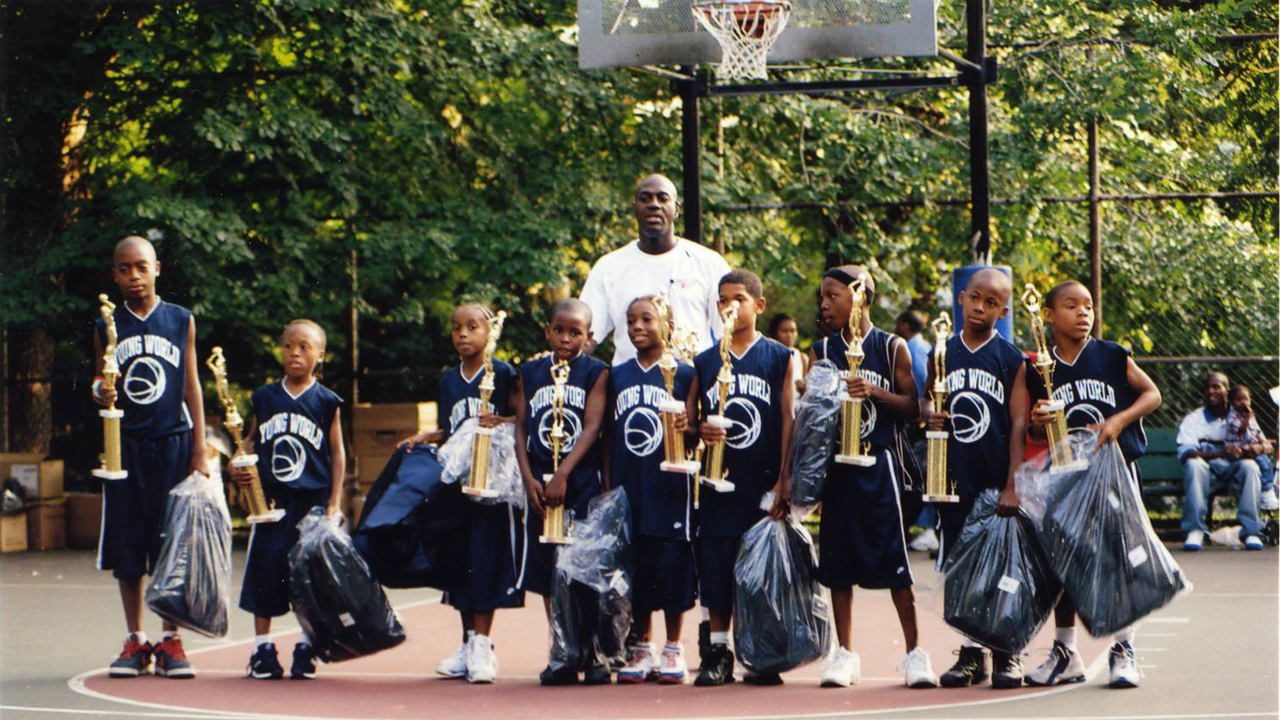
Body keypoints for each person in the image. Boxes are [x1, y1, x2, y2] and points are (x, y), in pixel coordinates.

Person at [1024, 280, 1162, 689]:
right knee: (1064, 561)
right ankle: (1066, 652)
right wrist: (1037, 421)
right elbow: (1033, 423)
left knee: (1118, 558)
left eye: (1088, 306)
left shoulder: (1111, 355)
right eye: (1072, 306)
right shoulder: (1037, 366)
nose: (1084, 313)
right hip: (1067, 477)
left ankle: (1124, 649)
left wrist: (1120, 420)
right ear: (1049, 315)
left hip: (1113, 471)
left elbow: (1152, 394)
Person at [807, 266, 937, 690]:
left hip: (880, 466)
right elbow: (812, 415)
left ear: (860, 298)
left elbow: (912, 408)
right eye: (822, 297)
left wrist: (873, 392)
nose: (824, 304)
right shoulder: (822, 349)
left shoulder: (891, 346)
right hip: (838, 471)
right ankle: (844, 653)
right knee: (839, 567)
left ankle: (915, 653)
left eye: (833, 296)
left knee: (896, 568)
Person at [92, 235, 207, 679]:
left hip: (173, 444)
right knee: (128, 544)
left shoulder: (180, 320)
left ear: (157, 268)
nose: (134, 276)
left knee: (170, 544)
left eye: (141, 267)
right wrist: (99, 391)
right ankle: (135, 640)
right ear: (114, 274)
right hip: (125, 447)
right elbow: (98, 385)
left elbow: (192, 384)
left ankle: (171, 638)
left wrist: (199, 446)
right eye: (124, 269)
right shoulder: (106, 323)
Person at [400, 303, 524, 684]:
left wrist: (500, 420)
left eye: (472, 327)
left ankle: (484, 645)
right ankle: (468, 641)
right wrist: (426, 437)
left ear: (489, 332)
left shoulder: (504, 373)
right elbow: (450, 428)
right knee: (459, 564)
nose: (463, 334)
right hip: (457, 484)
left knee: (484, 564)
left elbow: (522, 420)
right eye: (456, 328)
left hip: (492, 486)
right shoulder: (448, 381)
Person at [686, 269, 794, 686]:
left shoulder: (780, 356)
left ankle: (762, 652)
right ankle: (717, 651)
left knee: (760, 568)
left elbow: (787, 420)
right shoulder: (705, 359)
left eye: (740, 299)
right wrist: (699, 431)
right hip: (717, 481)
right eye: (723, 299)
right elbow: (691, 423)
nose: (730, 306)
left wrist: (784, 480)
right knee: (717, 565)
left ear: (758, 305)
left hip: (761, 478)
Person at [922, 269, 1029, 689]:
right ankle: (970, 652)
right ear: (961, 298)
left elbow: (1018, 424)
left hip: (994, 477)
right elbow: (928, 409)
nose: (981, 309)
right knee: (960, 568)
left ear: (1003, 311)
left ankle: (1006, 652)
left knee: (1001, 565)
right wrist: (928, 416)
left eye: (991, 303)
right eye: (975, 299)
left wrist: (1012, 483)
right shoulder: (941, 352)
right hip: (952, 476)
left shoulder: (1011, 359)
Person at [232, 319, 346, 680]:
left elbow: (337, 453)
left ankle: (305, 645)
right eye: (288, 346)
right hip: (272, 501)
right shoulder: (265, 397)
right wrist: (238, 462)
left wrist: (333, 502)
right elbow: (249, 441)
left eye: (304, 347)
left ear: (320, 355)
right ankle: (262, 649)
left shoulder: (327, 401)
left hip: (311, 500)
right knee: (266, 569)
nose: (295, 353)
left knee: (309, 578)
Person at [514, 299, 610, 685]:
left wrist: (564, 473)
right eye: (559, 330)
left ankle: (594, 652)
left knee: (583, 568)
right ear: (547, 331)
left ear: (588, 337)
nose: (566, 338)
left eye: (575, 333)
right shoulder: (531, 371)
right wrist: (528, 477)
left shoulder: (595, 372)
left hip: (579, 483)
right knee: (549, 570)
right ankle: (563, 651)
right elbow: (520, 429)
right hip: (540, 484)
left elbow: (592, 426)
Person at [608, 296, 698, 685]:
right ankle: (642, 646)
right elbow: (609, 437)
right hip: (631, 486)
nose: (637, 326)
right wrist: (609, 488)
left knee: (672, 567)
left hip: (671, 487)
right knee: (638, 568)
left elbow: (695, 433)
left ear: (668, 325)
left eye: (646, 319)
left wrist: (686, 429)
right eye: (631, 320)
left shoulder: (687, 374)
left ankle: (674, 646)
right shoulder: (618, 375)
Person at [580, 174, 731, 366]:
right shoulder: (608, 267)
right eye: (645, 198)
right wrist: (553, 363)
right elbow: (584, 337)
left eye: (663, 198)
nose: (654, 204)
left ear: (676, 209)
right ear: (634, 208)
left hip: (693, 385)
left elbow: (728, 333)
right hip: (630, 388)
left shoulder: (708, 262)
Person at [1177, 372, 1266, 551]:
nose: (1211, 391)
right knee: (1194, 464)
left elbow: (1261, 443)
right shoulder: (1194, 419)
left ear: (1228, 391)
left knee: (1250, 466)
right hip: (1208, 477)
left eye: (1216, 386)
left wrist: (1257, 448)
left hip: (1234, 475)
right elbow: (1186, 453)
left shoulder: (1244, 416)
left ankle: (1251, 532)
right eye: (1207, 388)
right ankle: (1195, 530)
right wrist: (1221, 452)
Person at [896, 308, 938, 553]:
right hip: (921, 419)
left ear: (905, 326)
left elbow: (926, 385)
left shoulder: (915, 349)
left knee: (923, 472)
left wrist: (922, 414)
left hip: (922, 421)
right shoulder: (919, 347)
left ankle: (928, 528)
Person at [1225, 385, 1277, 511]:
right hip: (1237, 451)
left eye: (1246, 399)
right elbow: (1241, 430)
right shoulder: (1231, 416)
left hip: (1250, 448)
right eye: (1239, 400)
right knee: (1261, 462)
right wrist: (1248, 416)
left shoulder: (1249, 414)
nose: (1243, 403)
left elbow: (1257, 431)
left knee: (1266, 463)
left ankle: (1266, 492)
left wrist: (1264, 442)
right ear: (1232, 402)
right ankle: (1266, 492)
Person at [768, 313, 808, 401]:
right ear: (775, 332)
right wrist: (793, 385)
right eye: (784, 331)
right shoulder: (769, 355)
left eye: (793, 331)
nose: (790, 335)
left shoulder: (802, 358)